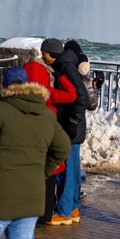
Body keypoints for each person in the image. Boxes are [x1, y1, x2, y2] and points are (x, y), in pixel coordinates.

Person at [0, 66, 71, 239]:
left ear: (3, 85)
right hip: (29, 201)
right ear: (27, 85)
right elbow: (63, 148)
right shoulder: (45, 114)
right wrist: (42, 172)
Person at [40, 38, 89, 226]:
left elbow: (81, 97)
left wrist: (73, 122)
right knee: (73, 168)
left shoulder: (66, 66)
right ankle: (73, 207)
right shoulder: (68, 63)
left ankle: (64, 211)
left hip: (70, 126)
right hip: (73, 126)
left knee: (65, 169)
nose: (42, 56)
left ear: (52, 53)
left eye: (44, 52)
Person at [23, 60, 77, 224]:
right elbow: (72, 93)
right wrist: (60, 76)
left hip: (28, 146)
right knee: (48, 177)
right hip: (47, 144)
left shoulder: (20, 95)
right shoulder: (48, 93)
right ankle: (45, 214)